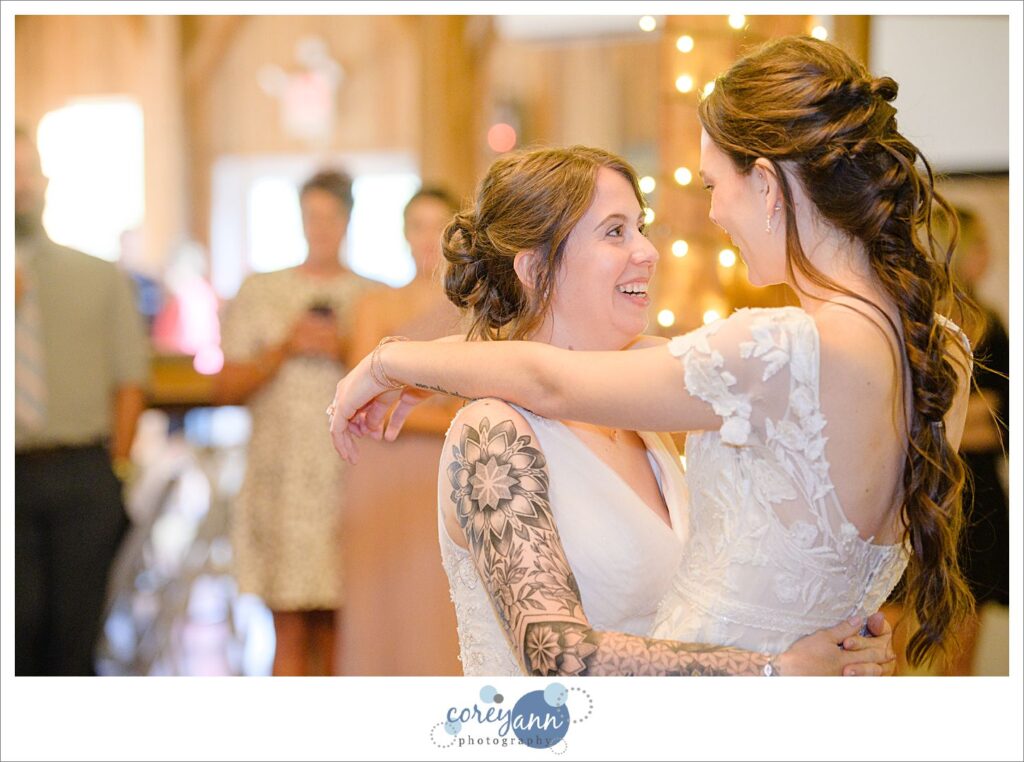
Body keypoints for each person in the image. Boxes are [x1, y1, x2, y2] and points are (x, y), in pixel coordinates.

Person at [330, 36, 975, 673]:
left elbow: (552, 380)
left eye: (712, 185)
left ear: (768, 186)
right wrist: (786, 666)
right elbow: (554, 650)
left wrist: (393, 362)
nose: (664, 241)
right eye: (616, 231)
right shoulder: (937, 348)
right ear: (533, 266)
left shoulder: (770, 353)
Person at [214, 168, 378, 676]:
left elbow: (399, 392)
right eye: (311, 216)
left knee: (340, 626)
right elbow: (225, 389)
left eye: (331, 217)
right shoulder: (260, 291)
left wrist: (343, 349)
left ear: (347, 221)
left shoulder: (373, 297)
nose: (320, 227)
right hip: (280, 477)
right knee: (285, 623)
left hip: (349, 476)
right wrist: (285, 347)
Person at [14, 125, 149, 675]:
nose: (18, 186)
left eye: (26, 172)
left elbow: (130, 380)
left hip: (81, 474)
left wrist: (118, 467)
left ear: (44, 182)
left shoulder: (96, 275)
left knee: (73, 639)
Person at [338, 188, 466, 675]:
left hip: (449, 466)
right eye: (418, 226)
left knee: (443, 591)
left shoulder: (476, 309)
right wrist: (454, 418)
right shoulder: (376, 304)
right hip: (386, 465)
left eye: (439, 227)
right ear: (404, 234)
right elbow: (364, 399)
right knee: (385, 592)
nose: (428, 239)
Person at [941, 206, 1009, 674]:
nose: (991, 252)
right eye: (981, 243)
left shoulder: (991, 324)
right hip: (935, 498)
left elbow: (1003, 423)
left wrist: (952, 420)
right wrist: (974, 414)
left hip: (977, 499)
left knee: (960, 662)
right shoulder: (922, 322)